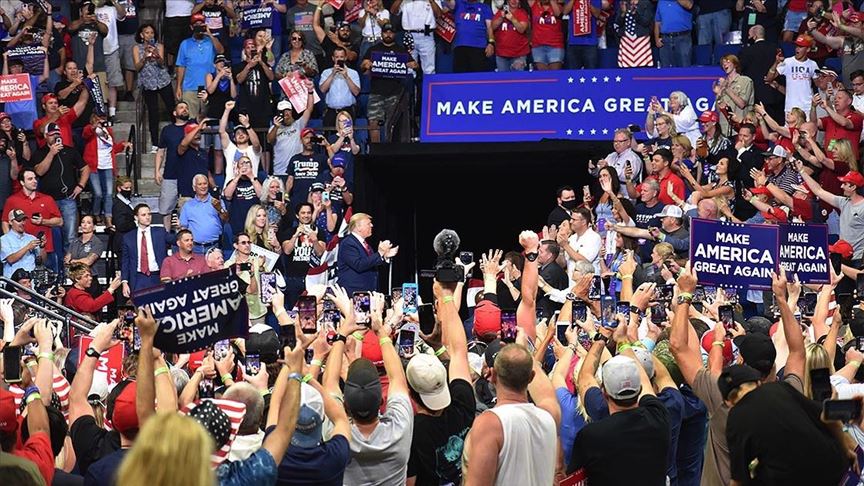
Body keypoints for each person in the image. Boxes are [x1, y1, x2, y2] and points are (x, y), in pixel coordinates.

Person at [462, 231, 559, 485]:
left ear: (489, 374)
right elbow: (529, 301)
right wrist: (531, 254)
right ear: (532, 375)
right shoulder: (550, 413)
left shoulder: (489, 424)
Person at [322, 289, 413, 485]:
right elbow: (397, 378)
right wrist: (381, 330)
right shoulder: (400, 429)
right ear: (382, 401)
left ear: (345, 405)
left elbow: (329, 383)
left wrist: (342, 333)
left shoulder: (336, 435)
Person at [406, 280, 476, 484]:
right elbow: (459, 352)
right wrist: (446, 296)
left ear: (412, 393)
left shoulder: (414, 429)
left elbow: (410, 481)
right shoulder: (462, 402)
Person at [29, 123, 90, 253]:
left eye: (57, 134)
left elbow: (85, 168)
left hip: (67, 198)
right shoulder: (39, 153)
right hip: (48, 201)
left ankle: (70, 269)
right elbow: (39, 172)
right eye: (52, 134)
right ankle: (54, 269)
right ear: (46, 136)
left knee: (70, 237)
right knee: (49, 237)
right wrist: (51, 154)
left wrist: (81, 185)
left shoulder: (70, 151)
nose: (56, 136)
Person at [361, 23, 418, 143]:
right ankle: (375, 148)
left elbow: (416, 65)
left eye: (390, 32)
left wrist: (413, 65)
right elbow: (363, 65)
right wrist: (366, 64)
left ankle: (391, 149)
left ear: (394, 34)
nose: (388, 34)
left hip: (395, 93)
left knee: (393, 123)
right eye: (385, 32)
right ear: (381, 33)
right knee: (373, 121)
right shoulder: (373, 49)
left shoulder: (401, 51)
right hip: (376, 91)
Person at [82, 113, 132, 227]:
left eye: (103, 118)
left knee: (109, 194)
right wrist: (94, 127)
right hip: (93, 166)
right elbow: (85, 134)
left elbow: (112, 148)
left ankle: (108, 218)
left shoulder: (108, 131)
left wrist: (123, 144)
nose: (101, 120)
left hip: (108, 165)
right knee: (98, 194)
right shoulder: (89, 129)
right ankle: (96, 214)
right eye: (99, 118)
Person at [2, 168, 63, 258]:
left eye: (35, 178)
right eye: (30, 179)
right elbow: (5, 221)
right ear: (22, 182)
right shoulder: (12, 200)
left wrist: (43, 221)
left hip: (44, 249)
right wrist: (9, 242)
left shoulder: (47, 199)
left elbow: (60, 221)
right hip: (21, 250)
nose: (34, 181)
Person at [133, 23, 174, 153]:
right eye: (147, 32)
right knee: (153, 112)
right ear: (141, 35)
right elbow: (137, 67)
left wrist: (156, 54)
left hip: (162, 80)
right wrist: (144, 57)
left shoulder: (159, 46)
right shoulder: (136, 48)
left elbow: (162, 64)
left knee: (171, 107)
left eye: (151, 33)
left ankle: (178, 136)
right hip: (147, 83)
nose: (150, 35)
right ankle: (155, 144)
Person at [176, 13, 224, 118]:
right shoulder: (185, 44)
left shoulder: (210, 41)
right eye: (196, 24)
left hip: (209, 87)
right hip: (190, 87)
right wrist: (178, 86)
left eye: (201, 24)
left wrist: (210, 34)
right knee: (191, 120)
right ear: (191, 27)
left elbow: (221, 51)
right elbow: (181, 66)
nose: (198, 26)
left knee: (208, 120)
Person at [336, 212, 398, 295]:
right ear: (358, 227)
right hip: (354, 294)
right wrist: (379, 253)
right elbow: (359, 265)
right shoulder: (348, 243)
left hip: (368, 293)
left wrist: (384, 256)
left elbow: (370, 264)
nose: (372, 225)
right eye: (368, 223)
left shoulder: (365, 244)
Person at [121, 204, 168, 296]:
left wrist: (181, 228)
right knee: (140, 308)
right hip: (138, 278)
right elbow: (125, 261)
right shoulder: (128, 237)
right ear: (136, 217)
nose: (147, 217)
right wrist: (124, 282)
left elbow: (177, 241)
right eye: (143, 215)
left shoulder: (160, 232)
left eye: (149, 214)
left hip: (158, 276)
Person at [767, 34, 818, 114]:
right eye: (797, 46)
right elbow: (769, 78)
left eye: (800, 47)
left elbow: (819, 85)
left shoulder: (813, 64)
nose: (797, 49)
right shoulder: (788, 62)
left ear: (808, 49)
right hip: (790, 107)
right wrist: (776, 63)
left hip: (807, 107)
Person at [94, 0, 127, 124]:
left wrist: (115, 2)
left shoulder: (111, 9)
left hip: (112, 48)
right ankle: (99, 112)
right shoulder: (92, 8)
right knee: (98, 82)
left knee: (113, 82)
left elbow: (123, 14)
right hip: (96, 49)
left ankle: (112, 113)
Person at [234, 38, 275, 133]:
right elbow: (239, 80)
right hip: (247, 108)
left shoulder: (263, 63)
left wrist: (261, 62)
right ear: (244, 51)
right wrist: (249, 66)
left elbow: (271, 77)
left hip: (263, 108)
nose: (251, 49)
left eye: (253, 47)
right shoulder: (239, 66)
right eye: (248, 47)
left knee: (264, 138)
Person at [390, 0, 444, 74]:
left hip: (426, 36)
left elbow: (439, 14)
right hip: (409, 36)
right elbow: (393, 11)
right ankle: (410, 85)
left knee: (429, 69)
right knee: (409, 68)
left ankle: (428, 85)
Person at [269, 94, 315, 179]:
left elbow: (309, 109)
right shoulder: (274, 128)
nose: (286, 114)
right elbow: (270, 140)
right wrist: (276, 127)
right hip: (280, 171)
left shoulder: (299, 124)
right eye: (283, 111)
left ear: (291, 111)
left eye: (288, 111)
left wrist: (310, 92)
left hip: (297, 171)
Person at [179, 174, 228, 255]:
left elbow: (226, 219)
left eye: (205, 183)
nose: (203, 186)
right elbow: (183, 228)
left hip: (214, 246)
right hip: (195, 248)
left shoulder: (216, 202)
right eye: (200, 184)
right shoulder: (187, 205)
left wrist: (220, 209)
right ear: (194, 188)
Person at [220, 100, 263, 181]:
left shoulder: (252, 150)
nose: (241, 134)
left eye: (243, 132)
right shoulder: (230, 149)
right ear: (234, 138)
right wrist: (227, 110)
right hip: (231, 189)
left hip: (251, 188)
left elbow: (256, 144)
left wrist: (247, 125)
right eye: (238, 133)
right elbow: (222, 131)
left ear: (248, 136)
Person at [319, 47, 361, 128]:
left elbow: (356, 92)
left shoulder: (353, 73)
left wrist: (346, 76)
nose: (339, 59)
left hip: (348, 112)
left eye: (341, 57)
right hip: (331, 111)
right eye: (337, 57)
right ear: (333, 58)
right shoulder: (326, 72)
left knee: (348, 136)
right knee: (328, 137)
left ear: (345, 58)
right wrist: (332, 74)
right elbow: (322, 89)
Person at [449, 0, 493, 72]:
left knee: (478, 78)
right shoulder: (458, 3)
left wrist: (491, 43)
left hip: (479, 47)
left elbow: (489, 27)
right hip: (460, 47)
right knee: (460, 78)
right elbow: (449, 3)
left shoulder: (485, 7)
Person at [286, 128, 328, 203]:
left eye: (311, 138)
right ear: (301, 140)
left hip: (316, 199)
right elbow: (290, 180)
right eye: (306, 138)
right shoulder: (295, 158)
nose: (309, 141)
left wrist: (327, 145)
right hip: (297, 199)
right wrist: (286, 195)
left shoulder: (321, 158)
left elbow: (334, 165)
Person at [0, 209, 43, 277]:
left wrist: (42, 247)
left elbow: (42, 260)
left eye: (23, 220)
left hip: (30, 282)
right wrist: (27, 247)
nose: (22, 223)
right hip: (13, 282)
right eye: (19, 221)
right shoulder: (4, 239)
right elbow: (10, 259)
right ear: (10, 222)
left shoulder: (32, 238)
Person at [558, 206, 602, 275]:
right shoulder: (571, 238)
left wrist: (565, 245)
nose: (570, 221)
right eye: (571, 219)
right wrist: (561, 249)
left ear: (584, 222)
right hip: (572, 282)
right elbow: (562, 264)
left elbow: (584, 261)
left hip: (589, 282)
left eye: (574, 219)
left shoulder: (594, 237)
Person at [492, 0, 529, 72]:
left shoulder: (522, 13)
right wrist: (501, 18)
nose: (514, 1)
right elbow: (492, 27)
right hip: (501, 54)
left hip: (519, 54)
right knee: (503, 80)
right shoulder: (500, 12)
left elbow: (521, 29)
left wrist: (512, 19)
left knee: (518, 80)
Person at [563, 0, 602, 69]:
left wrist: (586, 2)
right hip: (573, 42)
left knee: (591, 74)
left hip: (590, 43)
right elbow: (565, 11)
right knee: (573, 75)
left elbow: (597, 14)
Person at [654, 0, 693, 67]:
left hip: (682, 39)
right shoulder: (661, 1)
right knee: (666, 69)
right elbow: (657, 22)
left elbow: (689, 5)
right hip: (665, 40)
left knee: (685, 67)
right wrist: (656, 38)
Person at [528, 0, 565, 70]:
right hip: (538, 46)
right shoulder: (534, 4)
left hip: (555, 46)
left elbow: (558, 14)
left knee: (555, 76)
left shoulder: (558, 5)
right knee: (543, 77)